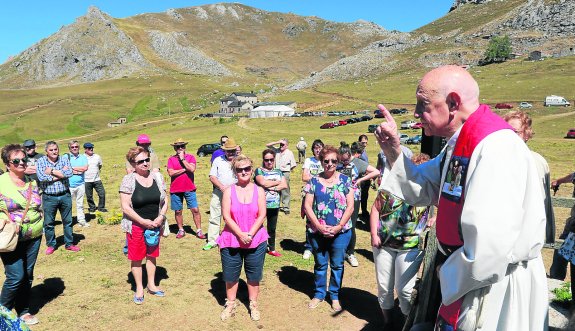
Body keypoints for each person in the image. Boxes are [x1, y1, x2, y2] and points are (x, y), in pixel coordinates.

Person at [375, 65, 547, 330]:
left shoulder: (496, 147)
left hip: (493, 286)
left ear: (453, 102)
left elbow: (488, 252)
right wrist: (394, 152)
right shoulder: (459, 143)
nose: (416, 113)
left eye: (423, 104)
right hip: (468, 277)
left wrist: (445, 273)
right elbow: (424, 187)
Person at [370, 152, 431, 328]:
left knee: (404, 291)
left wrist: (435, 218)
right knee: (384, 287)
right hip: (384, 244)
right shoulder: (391, 186)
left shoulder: (428, 189)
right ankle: (388, 322)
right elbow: (375, 209)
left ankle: (407, 322)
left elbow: (445, 205)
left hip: (411, 247)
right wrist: (374, 234)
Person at [217, 155, 268, 321]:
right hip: (231, 239)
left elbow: (262, 215)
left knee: (254, 275)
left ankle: (253, 303)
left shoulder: (259, 190)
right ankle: (230, 303)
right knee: (231, 275)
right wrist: (240, 234)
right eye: (240, 169)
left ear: (252, 170)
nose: (244, 172)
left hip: (256, 239)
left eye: (247, 168)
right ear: (235, 172)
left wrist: (250, 234)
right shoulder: (228, 191)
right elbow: (226, 216)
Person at [303, 145, 354, 312]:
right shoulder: (314, 181)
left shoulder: (346, 180)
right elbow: (308, 206)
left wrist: (339, 226)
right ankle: (319, 294)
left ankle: (334, 295)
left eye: (334, 160)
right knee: (320, 264)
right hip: (318, 232)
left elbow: (350, 207)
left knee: (337, 265)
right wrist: (318, 226)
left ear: (338, 161)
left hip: (341, 232)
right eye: (326, 161)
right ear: (321, 161)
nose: (330, 164)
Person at [0, 144, 44, 326]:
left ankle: (24, 311)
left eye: (24, 159)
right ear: (7, 164)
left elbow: (37, 203)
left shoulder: (32, 181)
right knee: (16, 276)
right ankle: (3, 311)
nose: (21, 163)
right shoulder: (1, 182)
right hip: (10, 237)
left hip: (34, 235)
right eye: (16, 160)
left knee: (28, 274)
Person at [120, 146, 168, 305]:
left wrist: (161, 216)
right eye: (141, 161)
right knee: (136, 257)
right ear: (133, 163)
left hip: (155, 224)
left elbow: (165, 199)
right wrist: (142, 221)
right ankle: (139, 288)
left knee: (152, 255)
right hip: (136, 226)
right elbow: (125, 207)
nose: (146, 163)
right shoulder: (128, 180)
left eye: (147, 160)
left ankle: (152, 285)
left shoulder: (157, 177)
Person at [503, 111, 555, 244]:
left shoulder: (536, 161)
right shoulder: (497, 159)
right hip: (502, 231)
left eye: (515, 132)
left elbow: (543, 200)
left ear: (526, 134)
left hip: (526, 237)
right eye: (506, 131)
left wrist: (548, 233)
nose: (510, 136)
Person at [36, 141, 80, 254]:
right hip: (49, 197)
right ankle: (51, 244)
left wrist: (50, 171)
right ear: (46, 151)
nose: (54, 152)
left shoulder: (64, 159)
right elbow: (42, 177)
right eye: (51, 150)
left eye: (56, 149)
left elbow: (69, 173)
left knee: (68, 221)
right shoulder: (41, 161)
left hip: (65, 194)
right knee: (49, 223)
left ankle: (69, 243)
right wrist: (61, 174)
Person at [341, 142, 380, 267]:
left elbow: (376, 172)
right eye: (342, 160)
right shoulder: (338, 162)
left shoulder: (358, 163)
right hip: (339, 198)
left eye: (346, 160)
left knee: (351, 225)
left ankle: (350, 252)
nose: (344, 162)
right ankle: (338, 251)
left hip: (354, 198)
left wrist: (361, 179)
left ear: (350, 154)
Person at [166, 138, 205, 240]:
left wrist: (183, 159)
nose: (180, 148)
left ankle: (199, 230)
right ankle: (181, 229)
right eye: (177, 146)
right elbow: (171, 173)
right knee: (178, 211)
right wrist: (184, 169)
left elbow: (192, 169)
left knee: (195, 209)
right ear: (174, 148)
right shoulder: (171, 159)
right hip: (175, 189)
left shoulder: (190, 157)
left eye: (182, 146)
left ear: (185, 147)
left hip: (189, 188)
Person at [205, 138, 239, 250]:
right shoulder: (218, 160)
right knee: (215, 215)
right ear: (224, 151)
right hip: (219, 192)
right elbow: (212, 177)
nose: (230, 153)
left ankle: (234, 237)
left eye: (232, 151)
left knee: (235, 216)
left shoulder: (240, 160)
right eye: (228, 151)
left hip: (236, 193)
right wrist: (222, 187)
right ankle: (212, 240)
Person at [254, 149, 287, 257]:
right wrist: (277, 183)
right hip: (260, 204)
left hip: (274, 204)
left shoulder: (278, 171)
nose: (269, 162)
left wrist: (271, 186)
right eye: (266, 160)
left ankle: (271, 248)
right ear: (263, 160)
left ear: (274, 159)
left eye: (271, 160)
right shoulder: (259, 171)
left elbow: (285, 185)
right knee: (258, 226)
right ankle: (257, 246)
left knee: (272, 228)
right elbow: (262, 182)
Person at [549, 171, 575, 280]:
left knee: (562, 251)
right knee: (561, 249)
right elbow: (572, 176)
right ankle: (556, 279)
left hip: (573, 227)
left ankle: (556, 279)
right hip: (572, 224)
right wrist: (559, 181)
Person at [301, 139, 324, 260]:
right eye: (315, 147)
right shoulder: (308, 161)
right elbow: (304, 177)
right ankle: (308, 247)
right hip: (310, 193)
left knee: (322, 219)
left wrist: (313, 177)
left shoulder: (326, 161)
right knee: (310, 221)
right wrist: (319, 178)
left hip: (323, 195)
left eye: (320, 147)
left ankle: (320, 245)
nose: (318, 149)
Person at [266, 138, 297, 214]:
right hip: (276, 172)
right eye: (280, 144)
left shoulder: (289, 153)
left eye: (283, 144)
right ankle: (276, 206)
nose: (281, 146)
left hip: (285, 172)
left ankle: (286, 207)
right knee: (276, 189)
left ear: (287, 145)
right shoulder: (276, 151)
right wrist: (277, 141)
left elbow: (293, 165)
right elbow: (267, 145)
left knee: (285, 190)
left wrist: (287, 169)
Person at [62, 140, 89, 227]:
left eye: (76, 147)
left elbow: (84, 168)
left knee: (80, 204)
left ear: (79, 148)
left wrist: (71, 168)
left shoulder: (83, 157)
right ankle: (68, 222)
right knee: (67, 205)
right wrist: (77, 170)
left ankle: (81, 220)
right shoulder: (65, 157)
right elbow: (64, 169)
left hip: (80, 184)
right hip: (68, 185)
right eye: (72, 147)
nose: (74, 148)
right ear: (69, 148)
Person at [83, 142, 107, 213]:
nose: (91, 149)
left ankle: (101, 207)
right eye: (89, 148)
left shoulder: (97, 156)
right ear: (85, 149)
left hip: (97, 179)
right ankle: (92, 207)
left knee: (102, 193)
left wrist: (96, 172)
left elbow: (100, 165)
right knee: (89, 196)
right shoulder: (82, 157)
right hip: (86, 180)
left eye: (92, 148)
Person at [357, 134, 371, 216]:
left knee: (365, 195)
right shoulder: (358, 152)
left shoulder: (364, 151)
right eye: (363, 143)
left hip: (366, 177)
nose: (364, 144)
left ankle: (364, 211)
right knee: (359, 195)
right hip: (360, 177)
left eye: (366, 142)